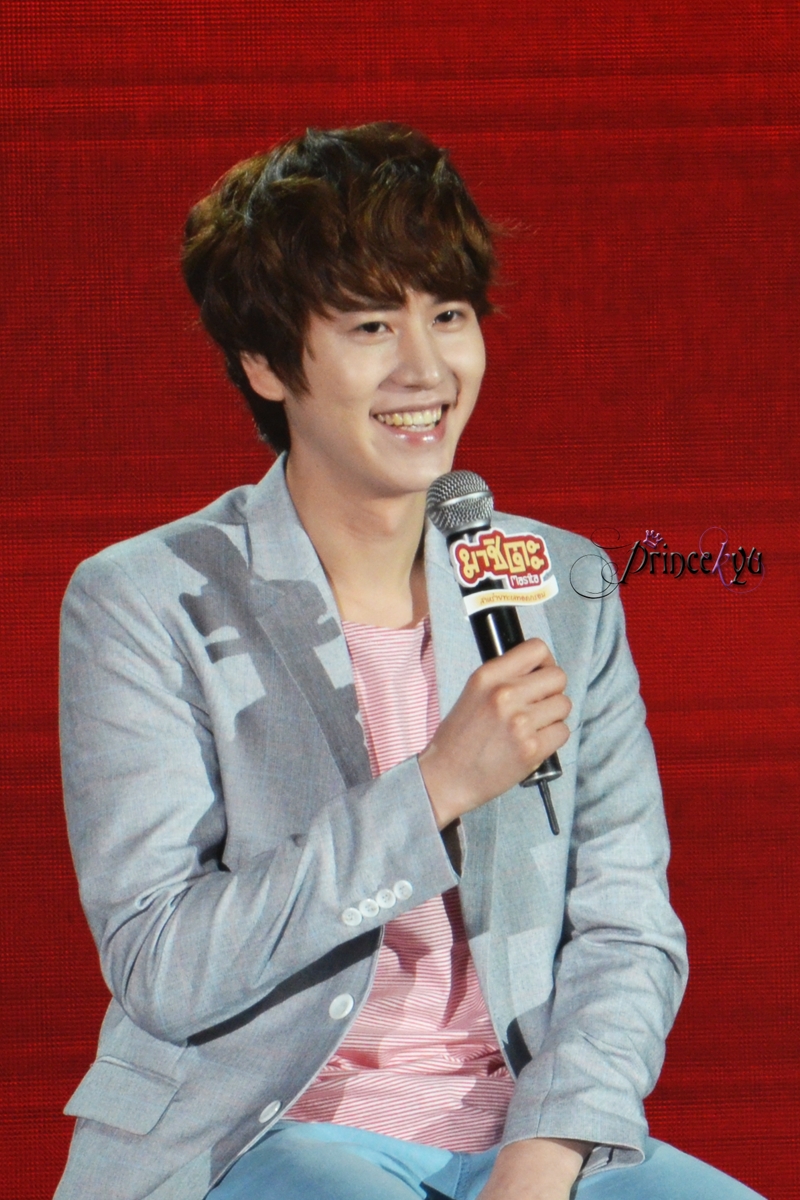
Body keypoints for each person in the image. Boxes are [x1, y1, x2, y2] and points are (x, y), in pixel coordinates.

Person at [55, 123, 763, 1200]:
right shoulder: (146, 599)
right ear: (265, 362)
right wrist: (434, 788)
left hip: (523, 1133)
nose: (426, 369)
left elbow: (625, 927)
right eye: (371, 326)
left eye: (448, 314)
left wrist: (548, 1150)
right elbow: (165, 965)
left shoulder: (560, 587)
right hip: (258, 1131)